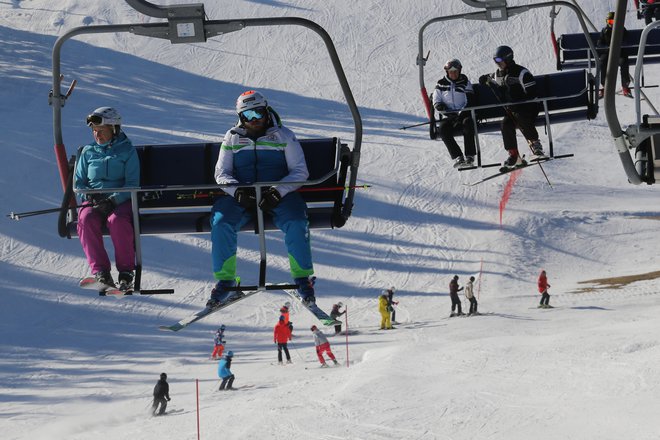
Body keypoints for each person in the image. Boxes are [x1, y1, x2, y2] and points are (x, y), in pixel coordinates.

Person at [207, 90, 316, 307]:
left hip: (279, 195)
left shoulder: (284, 135)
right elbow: (221, 173)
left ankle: (303, 278)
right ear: (240, 117)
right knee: (221, 223)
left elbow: (299, 171)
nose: (254, 120)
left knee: (295, 221)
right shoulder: (232, 137)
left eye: (257, 113)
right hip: (242, 195)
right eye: (247, 116)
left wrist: (277, 191)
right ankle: (226, 281)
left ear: (266, 111)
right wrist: (237, 191)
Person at [74, 107, 140, 291]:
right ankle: (101, 273)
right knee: (85, 219)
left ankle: (126, 273)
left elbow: (132, 184)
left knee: (117, 221)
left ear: (114, 129)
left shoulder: (127, 151)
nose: (97, 135)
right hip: (95, 200)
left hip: (121, 200)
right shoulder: (87, 152)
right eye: (94, 131)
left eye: (101, 131)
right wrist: (92, 197)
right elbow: (79, 183)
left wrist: (113, 200)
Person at [479, 46, 546, 169]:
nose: (497, 63)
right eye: (495, 61)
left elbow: (532, 93)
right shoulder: (498, 74)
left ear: (508, 59)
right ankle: (514, 155)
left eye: (499, 60)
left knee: (521, 116)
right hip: (513, 110)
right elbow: (491, 78)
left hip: (528, 108)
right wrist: (485, 79)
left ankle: (536, 145)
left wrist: (517, 99)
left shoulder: (522, 73)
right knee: (505, 124)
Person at [432, 58, 477, 169]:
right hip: (449, 115)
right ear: (447, 72)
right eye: (451, 72)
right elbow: (436, 100)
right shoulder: (441, 84)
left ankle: (470, 156)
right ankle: (458, 156)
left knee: (468, 123)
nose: (453, 74)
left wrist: (461, 113)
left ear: (459, 71)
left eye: (455, 71)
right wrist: (445, 111)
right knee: (443, 129)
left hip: (464, 114)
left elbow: (470, 99)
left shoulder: (465, 81)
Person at [597, 12, 632, 98]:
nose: (611, 24)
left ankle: (625, 86)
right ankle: (605, 86)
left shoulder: (622, 29)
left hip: (619, 53)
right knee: (602, 62)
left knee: (623, 62)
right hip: (608, 53)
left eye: (613, 22)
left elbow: (627, 41)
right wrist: (607, 47)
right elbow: (599, 43)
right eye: (610, 22)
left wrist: (619, 44)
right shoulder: (604, 31)